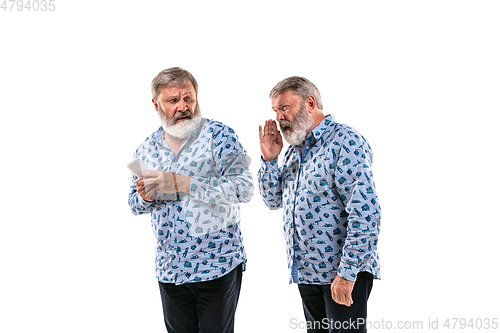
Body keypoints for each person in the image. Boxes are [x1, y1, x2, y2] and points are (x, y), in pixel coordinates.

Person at [128, 67, 253, 333]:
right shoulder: (146, 147)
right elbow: (133, 203)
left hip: (216, 265)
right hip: (169, 269)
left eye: (188, 98)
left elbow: (244, 188)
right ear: (156, 104)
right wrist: (145, 197)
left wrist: (182, 183)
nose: (183, 106)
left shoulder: (220, 136)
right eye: (173, 101)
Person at [258, 76, 381, 333]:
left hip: (342, 273)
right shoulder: (294, 149)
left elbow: (366, 212)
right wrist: (269, 160)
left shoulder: (344, 141)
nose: (279, 117)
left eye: (284, 108)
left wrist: (347, 274)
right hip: (307, 272)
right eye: (275, 110)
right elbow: (273, 201)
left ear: (309, 103)